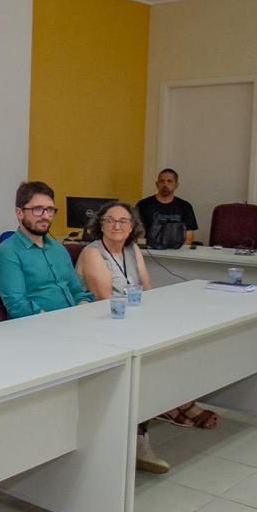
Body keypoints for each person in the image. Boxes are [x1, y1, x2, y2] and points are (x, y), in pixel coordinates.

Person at [75, 203, 208, 474]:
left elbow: (147, 289)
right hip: (102, 325)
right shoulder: (92, 252)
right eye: (110, 220)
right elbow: (104, 299)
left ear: (132, 227)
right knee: (147, 361)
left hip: (131, 322)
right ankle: (143, 436)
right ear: (100, 224)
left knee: (175, 344)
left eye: (123, 221)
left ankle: (173, 402)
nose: (117, 226)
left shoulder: (132, 249)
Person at [0, 180, 93, 317]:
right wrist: (58, 322)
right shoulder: (6, 253)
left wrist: (83, 310)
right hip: (39, 325)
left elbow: (77, 292)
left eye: (50, 210)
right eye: (38, 209)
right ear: (19, 213)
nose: (46, 216)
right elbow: (18, 306)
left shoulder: (58, 248)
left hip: (72, 321)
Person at [136, 168, 198, 248]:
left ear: (176, 185)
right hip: (150, 250)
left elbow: (189, 236)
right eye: (162, 181)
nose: (165, 184)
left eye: (169, 181)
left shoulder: (185, 206)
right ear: (157, 184)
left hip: (177, 251)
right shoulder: (143, 205)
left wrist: (180, 252)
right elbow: (137, 233)